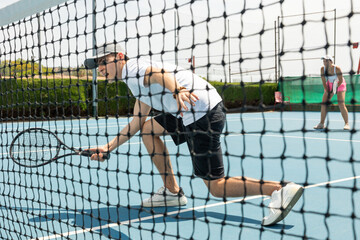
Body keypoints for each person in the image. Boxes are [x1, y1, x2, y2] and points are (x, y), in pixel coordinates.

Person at [84, 43, 304, 226]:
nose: (101, 68)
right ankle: (172, 192)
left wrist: (177, 90)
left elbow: (158, 73)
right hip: (189, 111)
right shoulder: (133, 81)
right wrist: (108, 147)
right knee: (149, 130)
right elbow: (137, 122)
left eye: (104, 61)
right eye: (98, 65)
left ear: (120, 56)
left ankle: (279, 190)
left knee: (216, 187)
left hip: (201, 112)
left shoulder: (133, 69)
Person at [314, 55, 349, 130]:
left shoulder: (337, 68)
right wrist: (328, 90)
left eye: (326, 61)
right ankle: (321, 124)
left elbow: (341, 80)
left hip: (339, 84)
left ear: (331, 61)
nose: (324, 62)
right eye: (323, 61)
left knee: (341, 104)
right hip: (329, 84)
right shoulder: (322, 69)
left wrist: (334, 89)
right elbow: (324, 82)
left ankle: (346, 123)